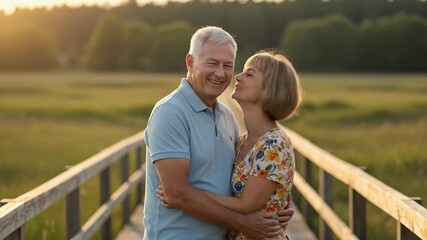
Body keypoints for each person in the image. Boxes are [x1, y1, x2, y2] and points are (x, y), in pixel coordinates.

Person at [143, 26, 294, 240]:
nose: (221, 73)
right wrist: (244, 223)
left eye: (228, 66)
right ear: (190, 62)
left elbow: (249, 176)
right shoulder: (170, 112)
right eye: (212, 63)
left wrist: (280, 203)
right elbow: (176, 194)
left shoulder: (226, 116)